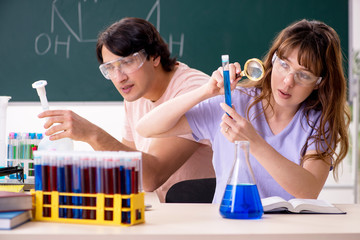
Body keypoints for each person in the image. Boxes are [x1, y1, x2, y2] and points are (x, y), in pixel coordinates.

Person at [136, 19, 350, 203]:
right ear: (272, 60)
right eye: (283, 65)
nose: (287, 82)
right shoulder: (234, 101)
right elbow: (146, 128)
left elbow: (309, 190)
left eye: (303, 75)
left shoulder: (318, 121)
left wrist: (254, 142)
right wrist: (205, 91)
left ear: (319, 83)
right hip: (230, 228)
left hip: (284, 232)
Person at [38, 17, 215, 202]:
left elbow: (151, 176)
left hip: (203, 217)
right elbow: (127, 169)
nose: (119, 77)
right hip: (167, 210)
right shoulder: (135, 93)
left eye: (127, 62)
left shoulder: (193, 92)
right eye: (110, 68)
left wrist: (93, 135)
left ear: (154, 56)